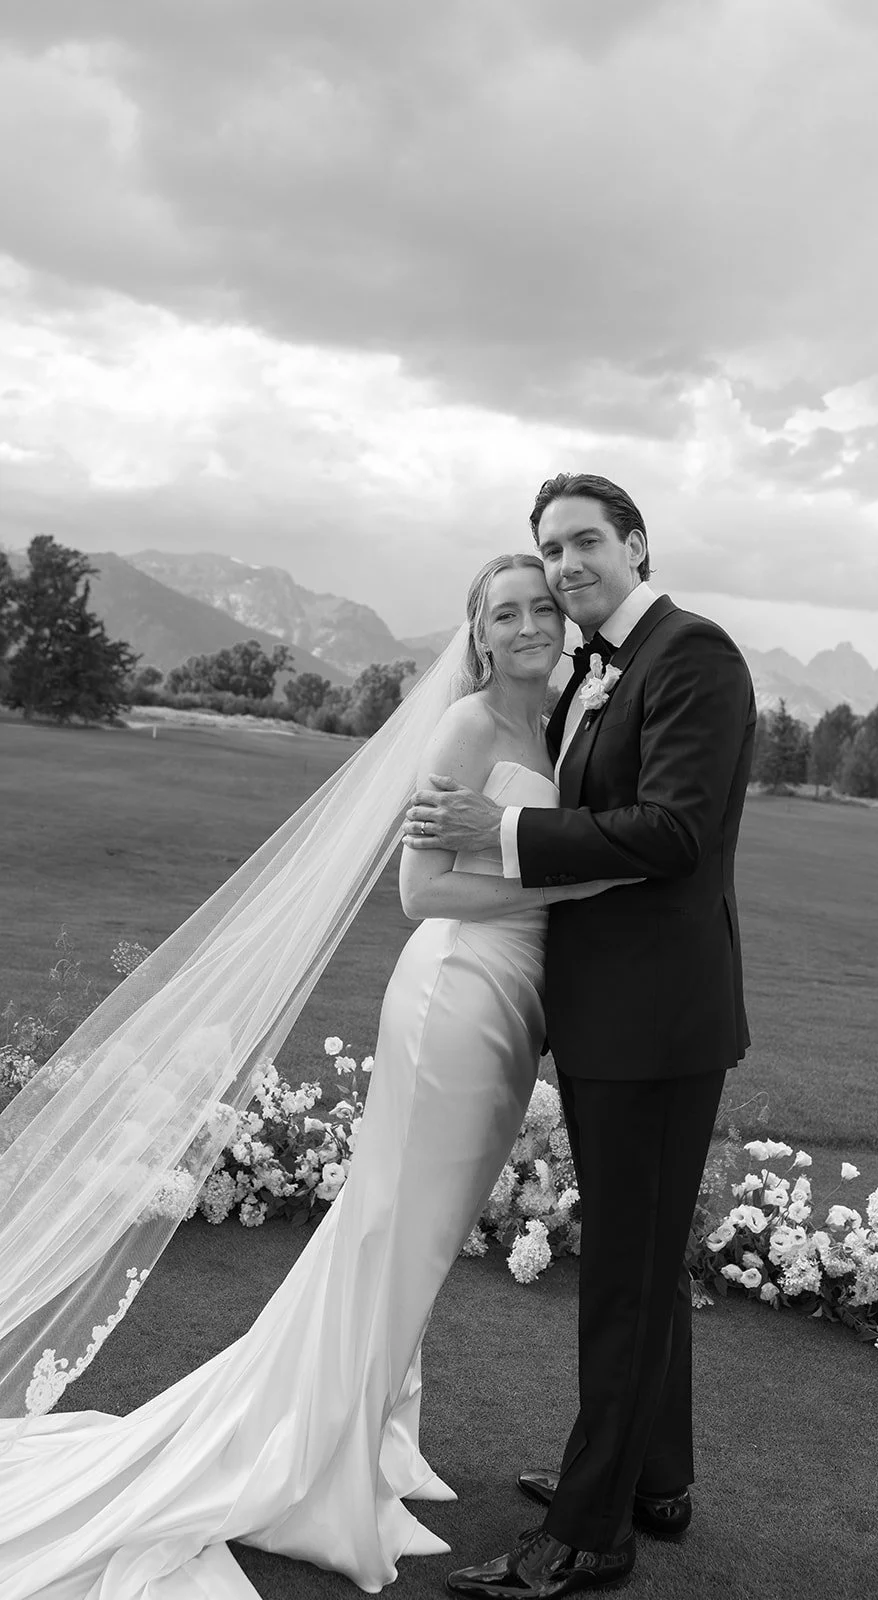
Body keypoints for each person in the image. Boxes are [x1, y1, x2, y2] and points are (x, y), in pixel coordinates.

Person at [0, 554, 631, 1600]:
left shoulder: (553, 722)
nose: (526, 625)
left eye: (540, 610)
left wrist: (557, 838)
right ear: (476, 636)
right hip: (455, 999)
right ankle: (312, 1466)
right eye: (503, 613)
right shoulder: (470, 727)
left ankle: (368, 1433)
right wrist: (562, 879)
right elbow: (420, 887)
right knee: (392, 1227)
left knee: (412, 1239)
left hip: (514, 1003)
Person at [404, 473, 756, 1599]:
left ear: (636, 544)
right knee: (639, 1259)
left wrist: (501, 829)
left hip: (654, 1021)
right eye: (550, 549)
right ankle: (650, 1479)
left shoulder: (691, 656)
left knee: (619, 1274)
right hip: (611, 1013)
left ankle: (588, 1534)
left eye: (585, 541)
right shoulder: (593, 673)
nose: (565, 565)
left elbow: (673, 832)